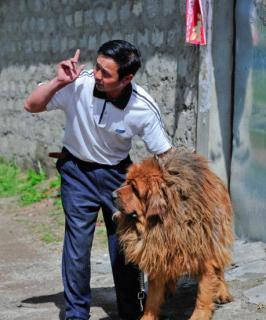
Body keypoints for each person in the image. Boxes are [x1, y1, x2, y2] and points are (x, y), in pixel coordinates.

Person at [24, 40, 172, 320]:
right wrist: (58, 82)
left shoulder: (142, 107)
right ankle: (76, 313)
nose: (97, 75)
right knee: (77, 246)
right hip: (76, 172)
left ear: (127, 78)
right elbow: (31, 105)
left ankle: (131, 310)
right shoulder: (78, 83)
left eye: (106, 73)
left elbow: (165, 154)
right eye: (97, 67)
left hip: (117, 177)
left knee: (124, 247)